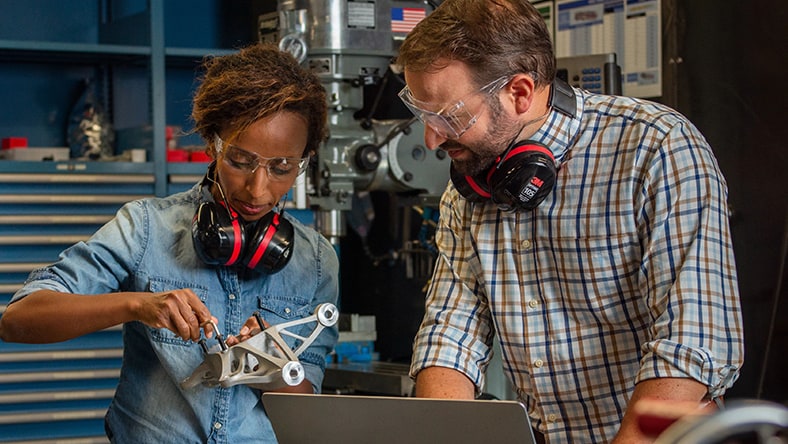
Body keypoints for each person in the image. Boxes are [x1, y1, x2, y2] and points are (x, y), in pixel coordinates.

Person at [395, 1, 744, 443]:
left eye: (450, 116)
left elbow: (692, 342)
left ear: (519, 93)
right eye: (425, 115)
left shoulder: (656, 147)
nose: (432, 137)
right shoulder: (468, 190)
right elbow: (449, 337)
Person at [0, 43, 338, 443]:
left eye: (283, 168)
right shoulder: (145, 227)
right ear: (213, 144)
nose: (259, 189)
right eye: (241, 161)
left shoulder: (316, 260)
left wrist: (269, 365)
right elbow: (18, 319)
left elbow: (306, 393)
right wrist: (137, 306)